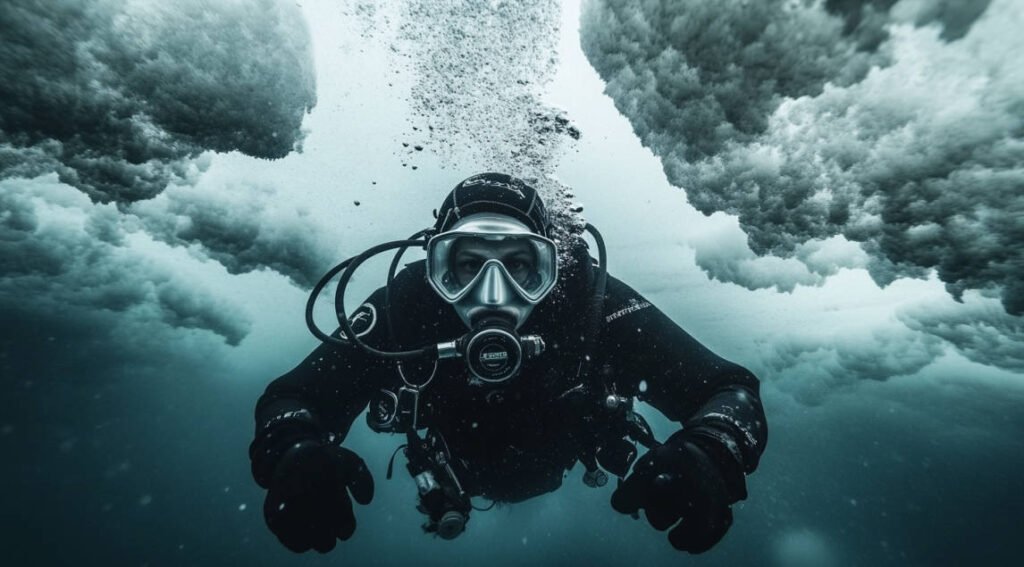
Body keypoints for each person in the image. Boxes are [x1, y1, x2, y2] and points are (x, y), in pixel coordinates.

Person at [249, 173, 768, 554]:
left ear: (553, 265)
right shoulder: (407, 306)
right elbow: (295, 397)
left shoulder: (587, 300)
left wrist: (712, 448)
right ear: (436, 267)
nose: (493, 294)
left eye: (521, 266)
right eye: (467, 266)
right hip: (458, 468)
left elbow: (725, 388)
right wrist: (295, 448)